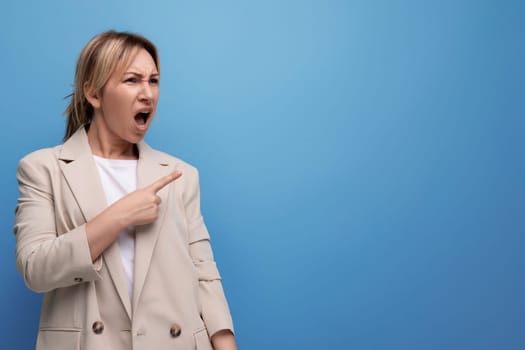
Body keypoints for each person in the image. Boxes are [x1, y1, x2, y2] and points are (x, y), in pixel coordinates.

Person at [14, 31, 237, 350]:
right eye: (133, 80)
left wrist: (225, 342)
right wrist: (117, 217)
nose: (148, 94)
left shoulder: (180, 175)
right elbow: (35, 269)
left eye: (154, 81)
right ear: (93, 93)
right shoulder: (43, 168)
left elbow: (204, 274)